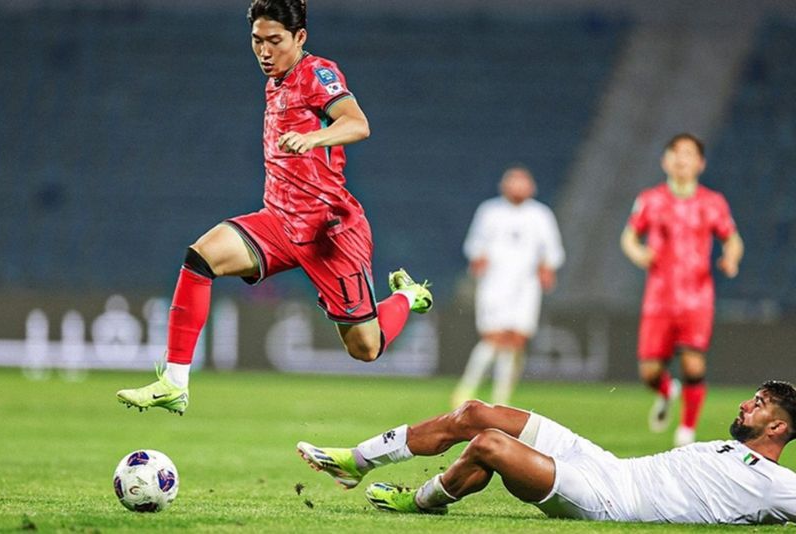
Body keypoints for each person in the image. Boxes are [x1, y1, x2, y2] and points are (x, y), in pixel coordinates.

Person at [116, 0, 432, 415]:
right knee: (201, 257)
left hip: (330, 231)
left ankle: (408, 296)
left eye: (275, 41)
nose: (264, 52)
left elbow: (358, 123)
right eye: (256, 41)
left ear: (300, 38)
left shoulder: (317, 73)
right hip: (280, 222)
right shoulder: (276, 81)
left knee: (365, 348)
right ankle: (174, 382)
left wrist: (314, 139)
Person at [297, 380, 796, 524]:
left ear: (776, 426)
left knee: (489, 445)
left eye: (757, 405)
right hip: (610, 465)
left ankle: (420, 501)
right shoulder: (734, 449)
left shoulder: (777, 486)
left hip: (608, 499)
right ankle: (356, 462)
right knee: (476, 413)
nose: (744, 405)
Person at [620, 133, 744, 446]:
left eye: (688, 154)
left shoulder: (712, 202)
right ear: (665, 161)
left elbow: (732, 238)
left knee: (693, 362)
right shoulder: (650, 199)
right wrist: (639, 254)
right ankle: (666, 390)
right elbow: (629, 238)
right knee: (649, 372)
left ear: (700, 163)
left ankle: (686, 430)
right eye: (675, 153)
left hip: (696, 297)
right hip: (659, 298)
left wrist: (731, 258)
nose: (681, 159)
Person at [451, 165, 564, 408]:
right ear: (503, 186)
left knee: (516, 339)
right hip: (495, 283)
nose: (518, 187)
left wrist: (547, 269)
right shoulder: (490, 212)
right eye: (513, 182)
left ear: (531, 187)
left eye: (523, 182)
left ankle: (502, 398)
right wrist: (478, 259)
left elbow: (552, 249)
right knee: (493, 336)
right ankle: (467, 387)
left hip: (526, 286)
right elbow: (474, 244)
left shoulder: (540, 215)